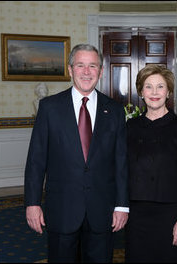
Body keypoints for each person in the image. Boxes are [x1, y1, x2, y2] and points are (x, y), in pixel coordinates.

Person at [24, 44, 129, 263]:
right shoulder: (49, 108)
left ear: (101, 71)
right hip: (62, 209)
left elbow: (121, 162)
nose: (87, 71)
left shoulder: (115, 110)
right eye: (80, 65)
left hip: (102, 211)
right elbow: (36, 160)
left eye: (93, 66)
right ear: (70, 70)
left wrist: (121, 205)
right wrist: (32, 204)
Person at [125, 65, 177, 263]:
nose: (154, 93)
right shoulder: (130, 127)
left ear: (169, 91)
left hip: (170, 213)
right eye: (148, 87)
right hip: (136, 213)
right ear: (141, 92)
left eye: (160, 87)